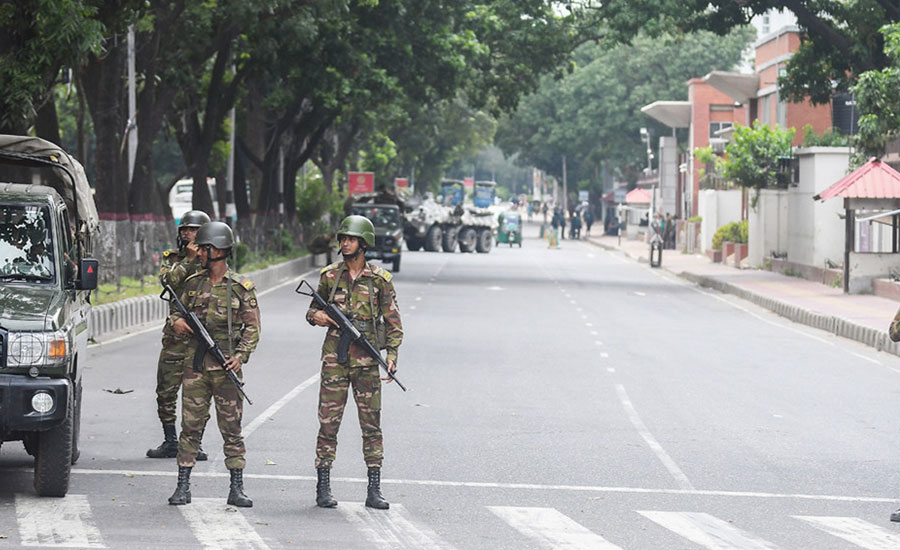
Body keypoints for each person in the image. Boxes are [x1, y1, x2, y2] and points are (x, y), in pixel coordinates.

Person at [306, 215, 403, 510]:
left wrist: (392, 355)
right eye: (343, 239)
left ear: (364, 243)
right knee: (328, 424)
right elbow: (312, 310)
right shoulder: (330, 276)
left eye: (351, 239)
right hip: (335, 361)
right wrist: (318, 316)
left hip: (366, 363)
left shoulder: (379, 280)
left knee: (371, 426)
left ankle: (374, 489)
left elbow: (393, 322)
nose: (345, 243)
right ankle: (323, 486)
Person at [167, 221, 261, 508]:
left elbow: (252, 328)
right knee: (190, 426)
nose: (198, 253)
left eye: (203, 248)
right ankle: (182, 485)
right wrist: (177, 322)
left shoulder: (240, 288)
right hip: (195, 365)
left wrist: (240, 356)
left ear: (217, 250)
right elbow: (175, 311)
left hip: (226, 366)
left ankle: (237, 487)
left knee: (231, 428)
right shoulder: (193, 283)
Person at [147, 210, 210, 461]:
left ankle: (195, 442)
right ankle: (170, 440)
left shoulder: (212, 258)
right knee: (165, 390)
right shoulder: (172, 258)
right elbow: (168, 282)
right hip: (175, 334)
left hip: (202, 337)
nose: (187, 233)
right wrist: (188, 260)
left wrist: (199, 258)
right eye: (184, 229)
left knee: (199, 394)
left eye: (193, 230)